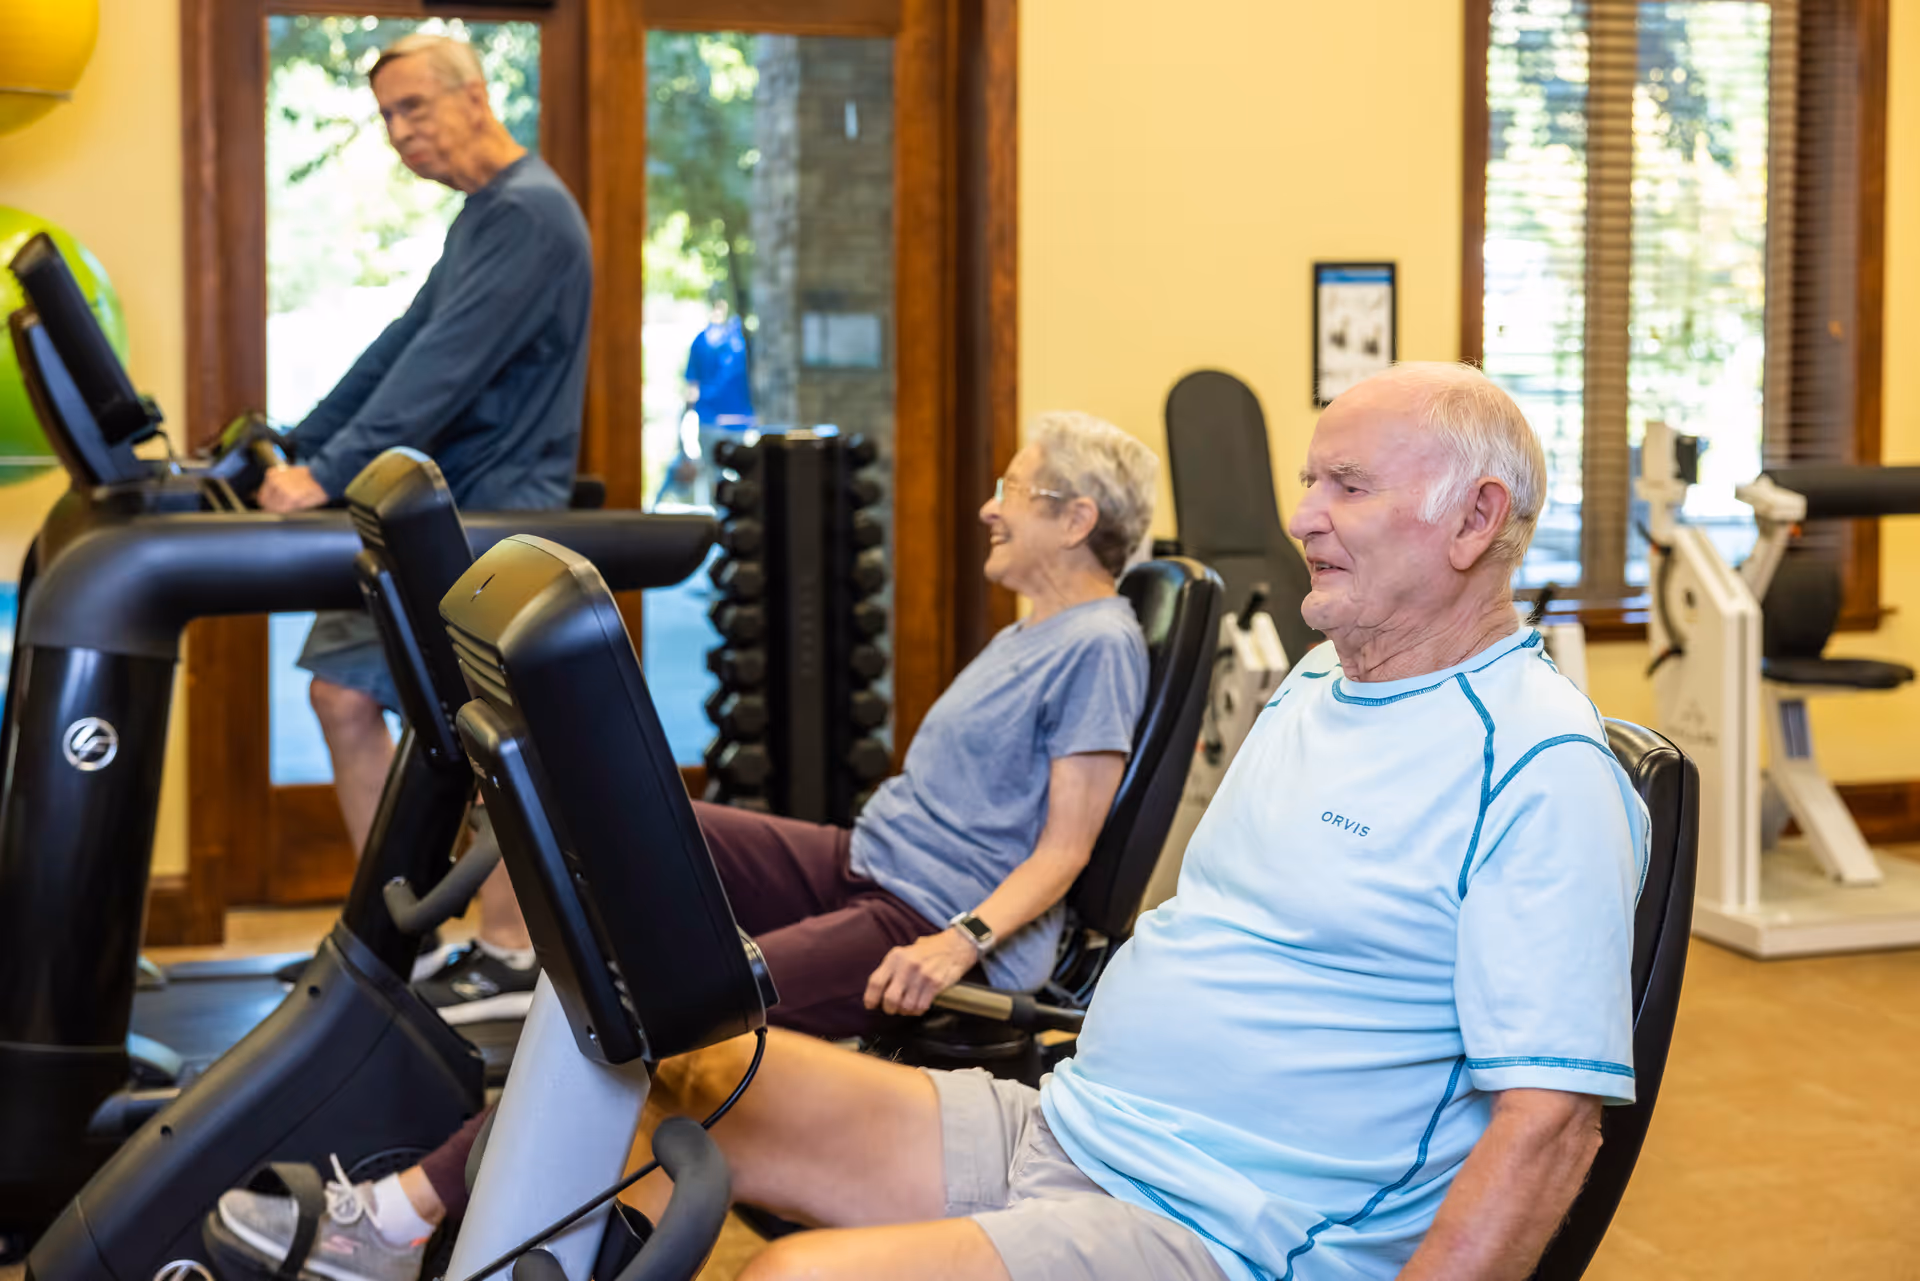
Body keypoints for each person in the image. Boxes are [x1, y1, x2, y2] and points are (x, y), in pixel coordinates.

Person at [598, 361, 1644, 1281]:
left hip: (1226, 1229)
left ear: (1474, 519)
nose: (1301, 515)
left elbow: (1550, 1129)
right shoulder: (1321, 681)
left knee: (798, 1280)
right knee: (693, 1078)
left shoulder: (1542, 767)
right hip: (1079, 1120)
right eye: (1309, 480)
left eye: (1349, 486)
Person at [212, 411, 1164, 1279]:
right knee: (639, 827)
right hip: (868, 859)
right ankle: (540, 1007)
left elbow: (1066, 848)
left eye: (1011, 491)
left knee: (659, 1017)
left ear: (1076, 520)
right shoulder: (1033, 631)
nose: (989, 508)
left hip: (923, 913)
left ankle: (396, 1218)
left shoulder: (1099, 645)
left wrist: (955, 941)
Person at [257, 34, 593, 1022]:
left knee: (477, 730)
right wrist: (296, 440)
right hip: (448, 511)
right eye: (388, 117)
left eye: (414, 108)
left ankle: (508, 944)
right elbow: (396, 347)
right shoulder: (488, 217)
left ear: (475, 95)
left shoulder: (528, 217)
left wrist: (319, 473)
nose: (401, 134)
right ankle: (395, 937)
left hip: (491, 517)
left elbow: (441, 371)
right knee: (348, 700)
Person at [656, 295, 755, 507]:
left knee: (714, 481)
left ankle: (716, 530)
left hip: (712, 421)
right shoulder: (740, 340)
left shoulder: (702, 341)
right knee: (740, 475)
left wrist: (683, 428)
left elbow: (692, 389)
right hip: (738, 419)